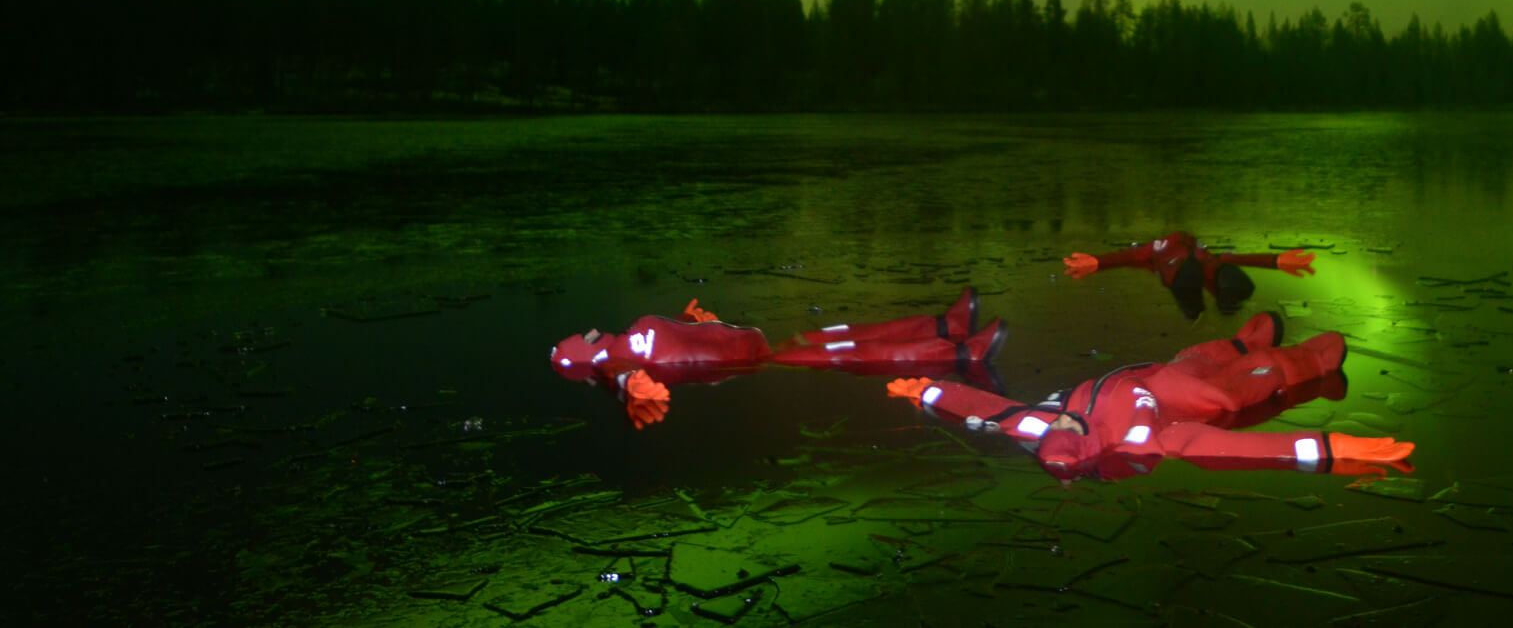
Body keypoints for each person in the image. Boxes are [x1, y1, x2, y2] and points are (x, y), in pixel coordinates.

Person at [886, 311, 1413, 482]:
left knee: (1195, 354)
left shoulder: (1038, 423)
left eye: (1056, 430)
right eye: (1069, 431)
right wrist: (1326, 447)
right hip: (1218, 393)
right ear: (1089, 446)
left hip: (1176, 368)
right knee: (1267, 371)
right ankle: (1302, 358)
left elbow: (984, 408)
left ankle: (1242, 340)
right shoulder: (1150, 442)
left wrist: (929, 388)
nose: (1062, 423)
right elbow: (1224, 449)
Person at [552, 289, 1006, 428]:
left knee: (843, 334)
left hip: (749, 344)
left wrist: (689, 322)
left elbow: (657, 345)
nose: (594, 333)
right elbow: (622, 375)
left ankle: (946, 326)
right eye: (586, 338)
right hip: (752, 359)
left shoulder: (628, 339)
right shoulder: (616, 362)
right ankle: (961, 352)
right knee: (845, 351)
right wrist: (630, 391)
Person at [1063, 232, 1317, 318]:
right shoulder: (1159, 253)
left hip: (1195, 270)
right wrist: (1098, 262)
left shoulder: (1199, 258)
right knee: (1196, 290)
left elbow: (1231, 260)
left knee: (1218, 278)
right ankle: (1202, 309)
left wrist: (1276, 260)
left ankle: (1213, 306)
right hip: (1185, 273)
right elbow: (1132, 257)